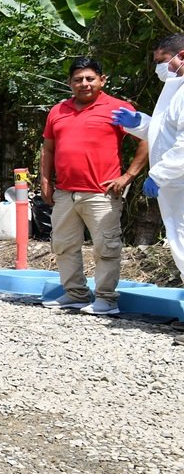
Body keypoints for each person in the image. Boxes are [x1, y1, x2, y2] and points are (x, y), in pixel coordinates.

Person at [41, 57, 148, 316]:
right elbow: (48, 148)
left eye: (90, 78)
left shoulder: (118, 108)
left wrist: (128, 176)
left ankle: (106, 300)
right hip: (65, 192)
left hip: (102, 193)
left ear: (102, 80)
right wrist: (45, 181)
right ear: (70, 83)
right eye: (78, 79)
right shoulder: (58, 110)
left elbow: (147, 138)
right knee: (63, 245)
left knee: (106, 248)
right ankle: (75, 294)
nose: (84, 84)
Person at [111, 34, 184, 339]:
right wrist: (138, 121)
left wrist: (161, 173)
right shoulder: (175, 87)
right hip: (175, 184)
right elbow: (164, 129)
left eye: (162, 61)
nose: (160, 68)